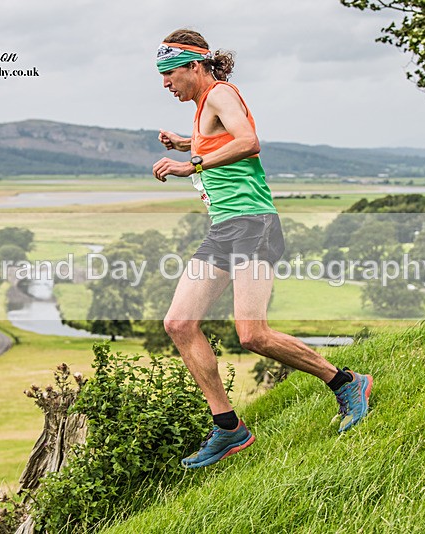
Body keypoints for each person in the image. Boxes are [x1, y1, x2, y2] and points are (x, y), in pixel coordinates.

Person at [152, 29, 372, 469]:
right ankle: (230, 427)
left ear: (195, 65)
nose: (164, 83)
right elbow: (223, 143)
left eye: (169, 72)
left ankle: (347, 383)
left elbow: (249, 141)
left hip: (253, 224)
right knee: (179, 322)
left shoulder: (221, 94)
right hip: (224, 229)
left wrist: (190, 162)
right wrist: (187, 142)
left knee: (252, 334)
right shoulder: (202, 108)